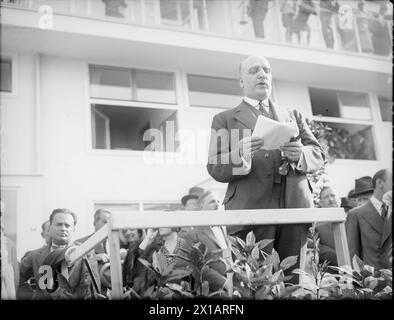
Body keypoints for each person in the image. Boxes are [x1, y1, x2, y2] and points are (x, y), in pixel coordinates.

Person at [206, 55, 325, 282]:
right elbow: (214, 166)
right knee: (254, 285)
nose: (262, 75)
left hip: (294, 210)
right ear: (241, 81)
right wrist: (239, 154)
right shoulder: (225, 119)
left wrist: (301, 154)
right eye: (254, 71)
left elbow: (318, 154)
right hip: (250, 215)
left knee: (292, 284)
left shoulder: (293, 115)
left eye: (267, 71)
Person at [346, 169, 392, 269]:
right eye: (359, 199)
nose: (360, 203)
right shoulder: (355, 214)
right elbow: (353, 256)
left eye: (364, 198)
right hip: (373, 279)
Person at [184, 191, 228, 292]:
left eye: (218, 201)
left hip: (236, 287)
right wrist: (224, 282)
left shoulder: (227, 229)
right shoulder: (193, 234)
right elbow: (195, 268)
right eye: (212, 201)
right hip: (210, 291)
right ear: (202, 206)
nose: (217, 204)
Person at [314, 186, 342, 266]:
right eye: (326, 197)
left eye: (332, 195)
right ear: (321, 203)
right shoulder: (316, 225)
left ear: (339, 199)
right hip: (330, 271)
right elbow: (315, 246)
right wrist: (337, 256)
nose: (330, 199)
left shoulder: (351, 219)